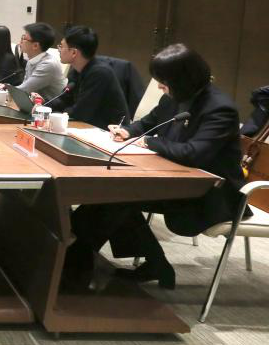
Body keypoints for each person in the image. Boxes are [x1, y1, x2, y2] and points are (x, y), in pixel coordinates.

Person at [67, 44, 244, 289]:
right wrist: (127, 131)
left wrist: (150, 142)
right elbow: (147, 123)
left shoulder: (220, 109)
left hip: (211, 194)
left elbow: (194, 154)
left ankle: (75, 265)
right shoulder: (174, 98)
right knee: (112, 193)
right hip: (175, 180)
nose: (159, 86)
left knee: (118, 196)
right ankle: (79, 260)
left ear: (183, 79)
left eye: (164, 81)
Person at [47, 26, 129, 128]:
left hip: (109, 130)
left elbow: (81, 113)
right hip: (87, 126)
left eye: (61, 46)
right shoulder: (76, 70)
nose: (59, 50)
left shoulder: (100, 73)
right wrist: (44, 106)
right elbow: (64, 99)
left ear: (74, 52)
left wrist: (56, 114)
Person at [13, 22, 65, 101]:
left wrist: (5, 89)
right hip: (38, 104)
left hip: (53, 107)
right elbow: (25, 88)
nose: (21, 41)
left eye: (24, 38)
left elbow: (24, 89)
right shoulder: (31, 61)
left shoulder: (48, 64)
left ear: (35, 46)